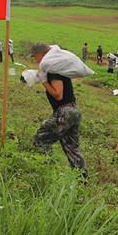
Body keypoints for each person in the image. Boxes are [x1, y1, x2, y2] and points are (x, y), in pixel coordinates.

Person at [30, 43, 87, 175]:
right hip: (73, 110)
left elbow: (58, 94)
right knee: (72, 148)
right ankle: (82, 179)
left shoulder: (53, 69)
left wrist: (44, 81)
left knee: (41, 138)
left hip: (65, 112)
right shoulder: (56, 68)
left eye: (35, 56)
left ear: (41, 54)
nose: (35, 59)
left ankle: (46, 171)